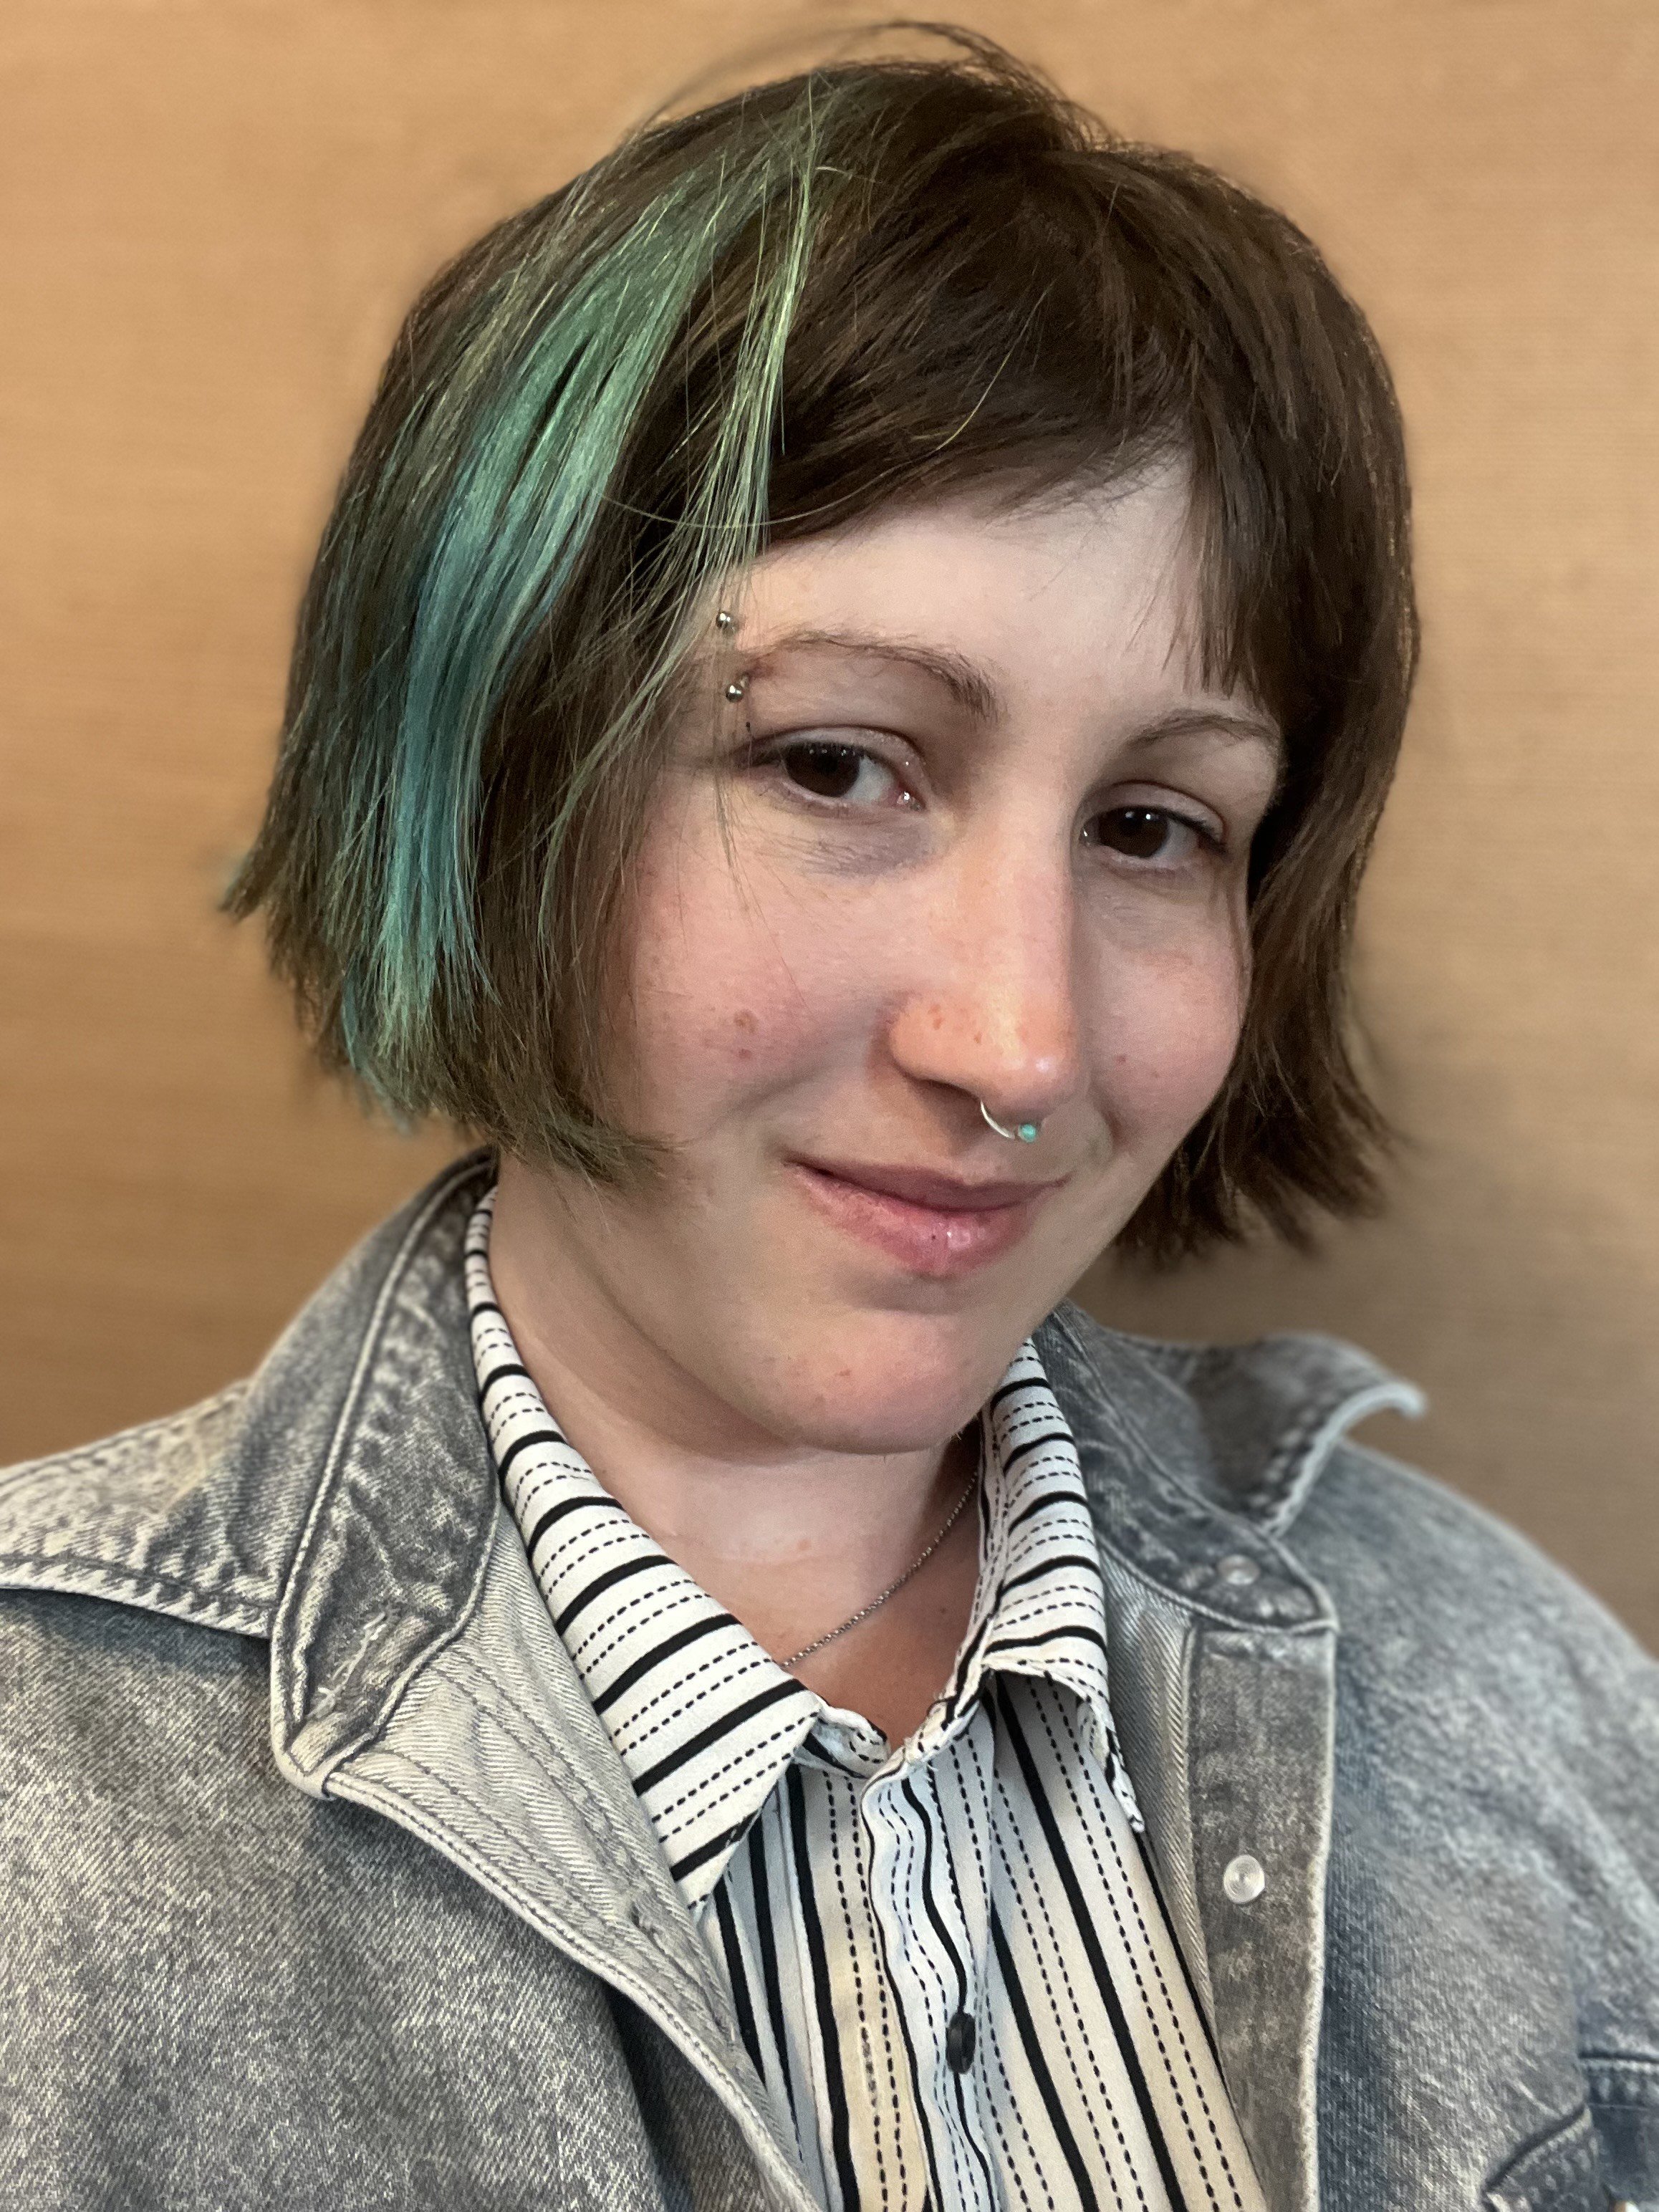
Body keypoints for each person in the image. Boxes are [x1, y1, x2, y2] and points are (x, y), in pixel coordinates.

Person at [1, 31, 1654, 2212]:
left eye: (1154, 825)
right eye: (833, 765)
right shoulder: (49, 1821)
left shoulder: (1508, 1679)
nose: (1023, 1046)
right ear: (488, 767)